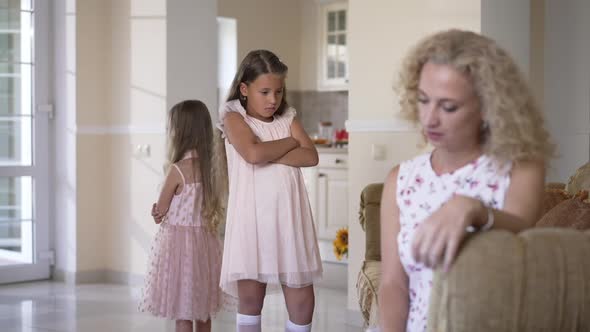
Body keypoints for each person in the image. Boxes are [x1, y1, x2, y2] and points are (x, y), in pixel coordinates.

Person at [378, 29, 555, 332]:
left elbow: (522, 231)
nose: (429, 119)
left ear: (488, 108)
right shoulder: (401, 180)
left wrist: (472, 209)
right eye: (423, 100)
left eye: (448, 107)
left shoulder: (520, 168)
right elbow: (393, 284)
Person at [217, 49, 323, 332]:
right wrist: (290, 143)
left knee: (302, 302)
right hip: (252, 220)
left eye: (278, 91)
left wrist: (266, 150)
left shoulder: (288, 117)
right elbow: (252, 154)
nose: (273, 99)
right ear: (244, 89)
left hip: (290, 219)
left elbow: (311, 157)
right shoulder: (233, 117)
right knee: (251, 298)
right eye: (264, 92)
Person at [139, 100, 226, 332]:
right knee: (203, 310)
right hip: (205, 247)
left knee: (183, 312)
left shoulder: (177, 170)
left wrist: (156, 212)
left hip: (180, 251)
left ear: (180, 133)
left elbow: (162, 209)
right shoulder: (210, 170)